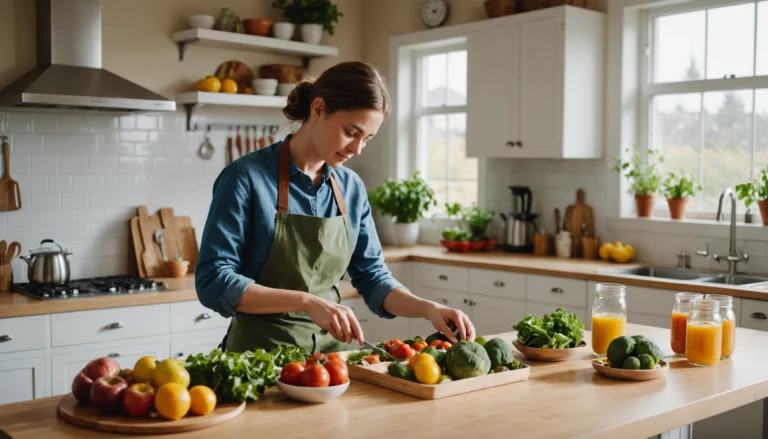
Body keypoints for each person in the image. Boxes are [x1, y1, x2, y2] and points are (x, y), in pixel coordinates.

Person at [195, 61, 476, 355]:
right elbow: (213, 280)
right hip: (259, 360)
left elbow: (372, 277)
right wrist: (307, 301)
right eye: (350, 132)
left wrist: (428, 308)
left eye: (367, 138)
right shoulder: (245, 178)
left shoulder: (350, 188)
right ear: (318, 109)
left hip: (330, 364)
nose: (357, 148)